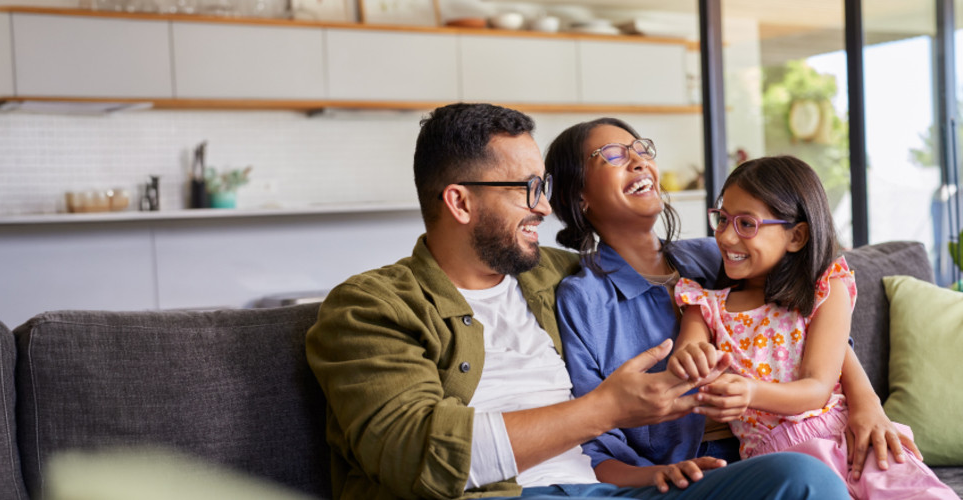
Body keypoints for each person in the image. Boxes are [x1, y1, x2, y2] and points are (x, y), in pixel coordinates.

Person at [304, 103, 847, 500]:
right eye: (527, 190)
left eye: (544, 189)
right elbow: (417, 455)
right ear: (460, 202)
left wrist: (862, 402)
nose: (543, 209)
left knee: (805, 479)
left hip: (612, 492)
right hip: (510, 495)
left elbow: (800, 296)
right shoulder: (369, 308)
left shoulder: (554, 277)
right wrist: (609, 407)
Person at [546, 119, 919, 493]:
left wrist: (867, 404)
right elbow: (590, 440)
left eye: (641, 149)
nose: (639, 161)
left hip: (798, 437)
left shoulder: (717, 255)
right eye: (612, 155)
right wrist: (655, 475)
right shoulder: (584, 299)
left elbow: (811, 324)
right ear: (578, 196)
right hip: (697, 473)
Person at [667, 156, 958, 499]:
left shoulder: (825, 288)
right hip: (781, 461)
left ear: (797, 236)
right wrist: (690, 359)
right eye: (723, 219)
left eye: (747, 224)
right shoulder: (704, 305)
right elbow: (688, 351)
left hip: (852, 436)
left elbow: (818, 387)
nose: (727, 236)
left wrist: (751, 393)